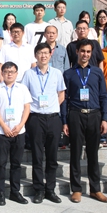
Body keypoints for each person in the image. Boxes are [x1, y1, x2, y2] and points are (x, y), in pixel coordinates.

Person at [61, 40, 107, 203]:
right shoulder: (68, 74)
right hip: (76, 114)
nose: (85, 54)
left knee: (93, 153)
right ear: (77, 52)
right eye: (83, 51)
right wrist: (64, 121)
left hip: (94, 115)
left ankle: (95, 189)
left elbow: (104, 96)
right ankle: (76, 189)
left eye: (88, 52)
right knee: (75, 153)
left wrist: (104, 118)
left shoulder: (97, 72)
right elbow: (65, 99)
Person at [22, 43, 66, 204]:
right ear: (35, 55)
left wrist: (52, 107)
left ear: (50, 54)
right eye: (40, 53)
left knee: (52, 156)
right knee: (37, 156)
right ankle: (39, 190)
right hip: (36, 118)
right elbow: (24, 95)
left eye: (46, 53)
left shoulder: (57, 73)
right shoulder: (28, 74)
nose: (43, 56)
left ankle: (50, 190)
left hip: (53, 118)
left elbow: (61, 94)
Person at [0, 62, 31, 206]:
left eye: (12, 71)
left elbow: (27, 108)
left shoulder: (22, 88)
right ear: (2, 73)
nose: (9, 74)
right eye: (6, 71)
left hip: (19, 131)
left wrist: (20, 125)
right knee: (1, 163)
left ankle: (15, 192)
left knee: (16, 163)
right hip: (2, 132)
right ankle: (0, 192)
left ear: (17, 73)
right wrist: (4, 126)